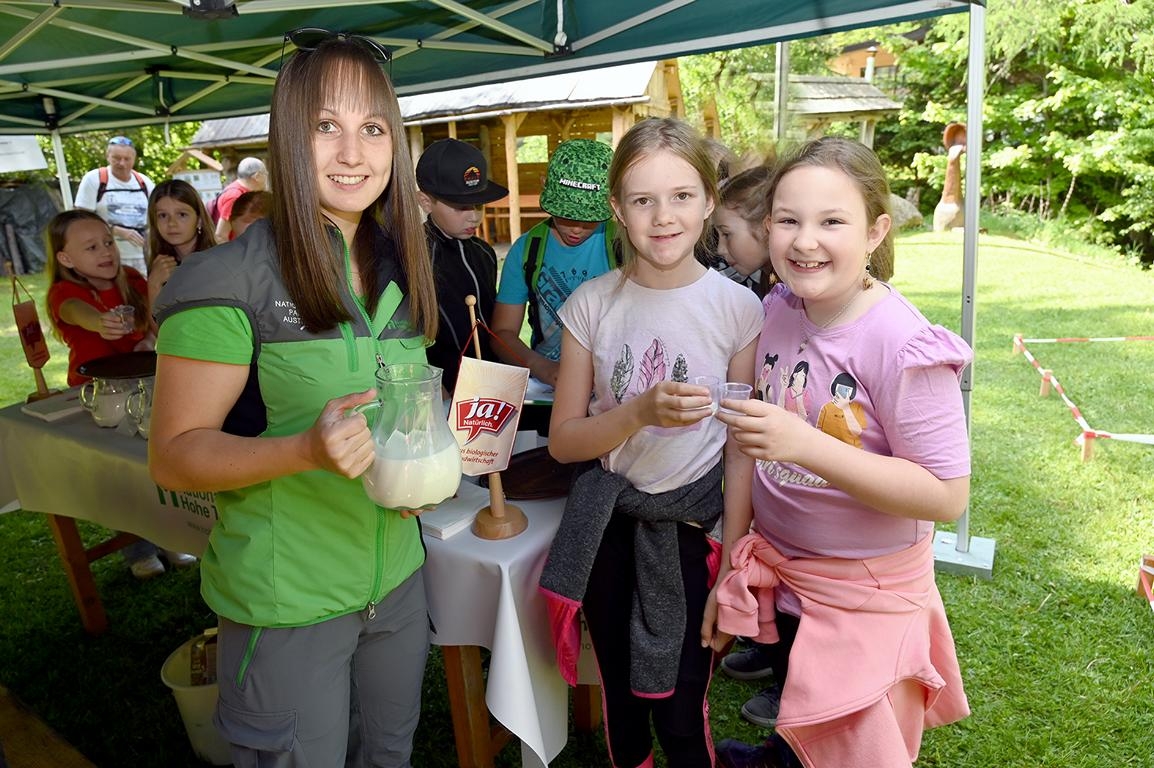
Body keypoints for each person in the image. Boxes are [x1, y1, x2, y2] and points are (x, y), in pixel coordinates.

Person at [148, 30, 438, 767]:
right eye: (325, 126)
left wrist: (421, 469)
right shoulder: (227, 279)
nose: (353, 153)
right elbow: (175, 457)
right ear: (287, 136)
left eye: (373, 128)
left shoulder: (404, 264)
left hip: (398, 587)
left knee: (389, 757)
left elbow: (401, 414)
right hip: (287, 606)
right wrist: (304, 449)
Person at [704, 137, 972, 768]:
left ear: (876, 231)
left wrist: (809, 446)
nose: (805, 241)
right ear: (767, 226)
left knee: (849, 742)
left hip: (865, 596)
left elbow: (946, 495)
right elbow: (746, 451)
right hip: (789, 577)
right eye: (789, 220)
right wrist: (730, 568)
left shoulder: (901, 343)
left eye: (832, 222)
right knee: (803, 713)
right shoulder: (773, 312)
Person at [538, 117, 763, 768]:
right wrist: (637, 411)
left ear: (709, 201)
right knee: (625, 708)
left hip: (693, 534)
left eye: (682, 196)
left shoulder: (737, 310)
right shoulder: (590, 304)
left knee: (682, 709)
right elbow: (564, 442)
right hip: (608, 529)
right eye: (642, 200)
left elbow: (741, 449)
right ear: (616, 209)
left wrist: (734, 566)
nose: (663, 216)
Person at [44, 209, 195, 580]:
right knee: (121, 475)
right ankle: (138, 547)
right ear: (66, 259)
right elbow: (76, 312)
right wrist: (101, 322)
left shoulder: (129, 279)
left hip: (144, 388)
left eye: (108, 242)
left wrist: (151, 314)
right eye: (91, 247)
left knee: (151, 465)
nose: (106, 251)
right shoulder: (65, 291)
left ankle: (167, 533)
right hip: (101, 398)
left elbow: (152, 322)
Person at [491, 138, 616, 389]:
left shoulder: (622, 246)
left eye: (590, 219)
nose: (577, 229)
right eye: (567, 216)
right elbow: (502, 334)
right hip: (547, 380)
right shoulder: (527, 250)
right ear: (545, 188)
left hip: (612, 378)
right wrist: (541, 368)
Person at [415, 137, 508, 394]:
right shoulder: (412, 259)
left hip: (494, 387)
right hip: (442, 392)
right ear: (425, 202)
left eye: (478, 204)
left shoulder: (484, 253)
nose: (474, 215)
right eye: (460, 206)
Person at [74, 135, 155, 274]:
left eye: (127, 159)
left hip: (141, 257)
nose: (122, 163)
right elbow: (80, 219)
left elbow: (155, 218)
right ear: (107, 156)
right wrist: (115, 230)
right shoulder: (95, 179)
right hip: (105, 257)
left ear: (134, 159)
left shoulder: (144, 183)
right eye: (116, 158)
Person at [145, 179, 217, 307]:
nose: (172, 223)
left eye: (182, 215)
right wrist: (153, 285)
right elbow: (158, 327)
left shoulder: (218, 262)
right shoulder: (160, 265)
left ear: (199, 220)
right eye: (163, 215)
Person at [713, 165, 777, 299]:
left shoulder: (794, 290)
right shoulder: (767, 281)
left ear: (765, 227)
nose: (720, 250)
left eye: (726, 234)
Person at [212, 156, 268, 241]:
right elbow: (221, 235)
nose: (266, 179)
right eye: (265, 174)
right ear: (257, 176)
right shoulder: (235, 196)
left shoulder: (243, 193)